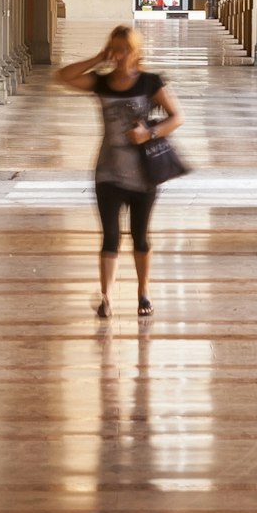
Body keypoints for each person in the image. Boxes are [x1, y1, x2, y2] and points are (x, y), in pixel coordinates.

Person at [50, 25, 181, 317]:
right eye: (115, 49)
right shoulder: (102, 82)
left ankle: (143, 292)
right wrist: (97, 59)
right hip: (108, 172)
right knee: (110, 236)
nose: (120, 56)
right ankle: (106, 297)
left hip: (143, 173)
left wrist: (150, 133)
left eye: (125, 50)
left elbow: (176, 117)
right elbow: (62, 76)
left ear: (136, 52)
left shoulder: (150, 82)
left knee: (140, 235)